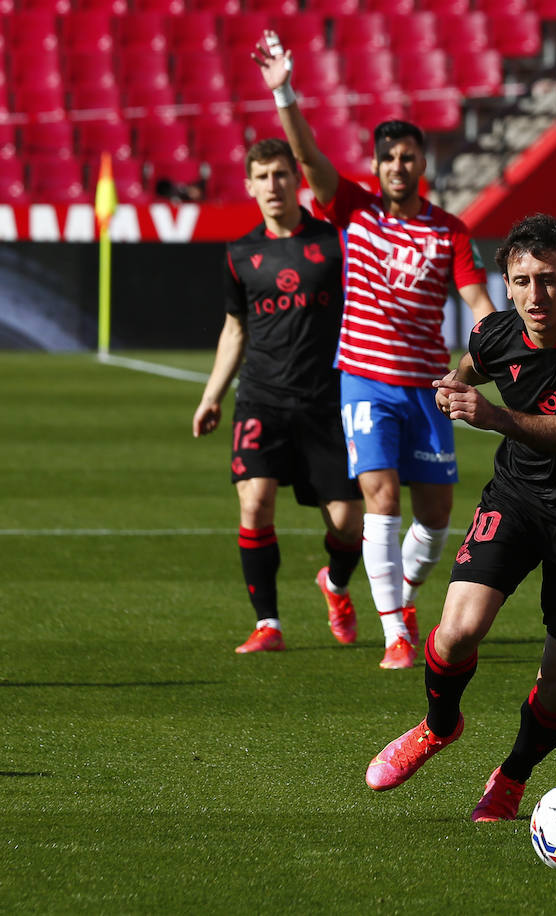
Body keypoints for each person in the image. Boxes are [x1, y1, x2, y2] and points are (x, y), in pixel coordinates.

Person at [361, 214, 556, 824]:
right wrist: (452, 390)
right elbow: (464, 373)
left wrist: (490, 417)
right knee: (457, 630)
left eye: (548, 280)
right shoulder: (494, 333)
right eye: (522, 281)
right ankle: (439, 726)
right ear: (507, 285)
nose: (535, 296)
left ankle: (512, 776)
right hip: (517, 499)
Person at [256, 31, 498, 668]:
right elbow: (308, 159)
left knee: (439, 517)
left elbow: (476, 299)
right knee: (381, 500)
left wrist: (499, 341)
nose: (397, 166)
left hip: (429, 387)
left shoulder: (450, 230)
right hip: (365, 378)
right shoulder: (354, 209)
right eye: (388, 157)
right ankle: (396, 634)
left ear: (422, 164)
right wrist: (285, 92)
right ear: (378, 165)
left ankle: (392, 594)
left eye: (408, 156)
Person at [192, 137, 364, 655]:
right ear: (249, 186)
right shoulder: (241, 253)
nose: (273, 185)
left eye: (281, 175)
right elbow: (234, 329)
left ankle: (334, 584)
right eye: (262, 177)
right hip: (262, 400)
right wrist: (211, 396)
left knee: (348, 523)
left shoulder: (336, 242)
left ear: (297, 180)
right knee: (256, 500)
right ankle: (268, 624)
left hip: (326, 402)